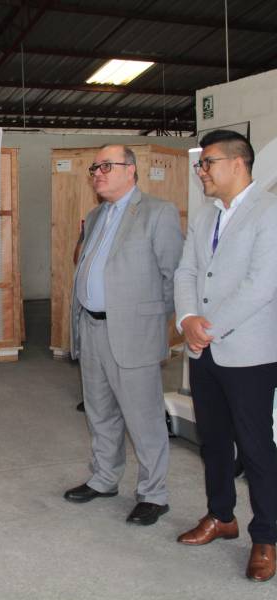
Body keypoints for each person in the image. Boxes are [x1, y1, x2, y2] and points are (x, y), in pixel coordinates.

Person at [174, 129, 277, 582]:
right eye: (200, 163)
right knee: (213, 439)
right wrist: (187, 319)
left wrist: (206, 329)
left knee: (256, 447)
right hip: (203, 349)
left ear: (238, 163)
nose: (201, 171)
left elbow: (261, 285)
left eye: (207, 162)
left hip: (250, 352)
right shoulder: (205, 216)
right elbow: (186, 271)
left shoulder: (269, 212)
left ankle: (267, 536)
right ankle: (221, 516)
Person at [64, 144, 183, 526]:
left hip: (133, 333)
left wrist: (151, 321)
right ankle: (104, 479)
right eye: (94, 168)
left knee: (144, 418)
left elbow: (174, 275)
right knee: (100, 412)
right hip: (92, 327)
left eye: (106, 166)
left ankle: (154, 494)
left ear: (130, 170)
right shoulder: (96, 214)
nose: (97, 173)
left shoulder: (157, 212)